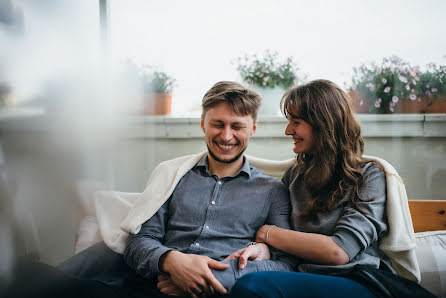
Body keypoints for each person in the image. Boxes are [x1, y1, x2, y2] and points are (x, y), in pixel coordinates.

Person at [2, 81, 297, 298]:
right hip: (147, 287)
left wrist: (209, 277)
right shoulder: (172, 174)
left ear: (254, 129)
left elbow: (286, 266)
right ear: (203, 124)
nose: (226, 135)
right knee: (27, 277)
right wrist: (173, 262)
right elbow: (139, 241)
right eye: (217, 124)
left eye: (237, 126)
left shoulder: (272, 190)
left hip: (218, 292)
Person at [227, 80, 434, 298]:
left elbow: (339, 251)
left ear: (323, 123)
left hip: (359, 280)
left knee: (252, 286)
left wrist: (267, 232)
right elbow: (286, 247)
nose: (288, 131)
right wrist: (260, 247)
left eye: (296, 122)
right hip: (306, 279)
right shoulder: (294, 177)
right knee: (242, 278)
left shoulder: (369, 175)